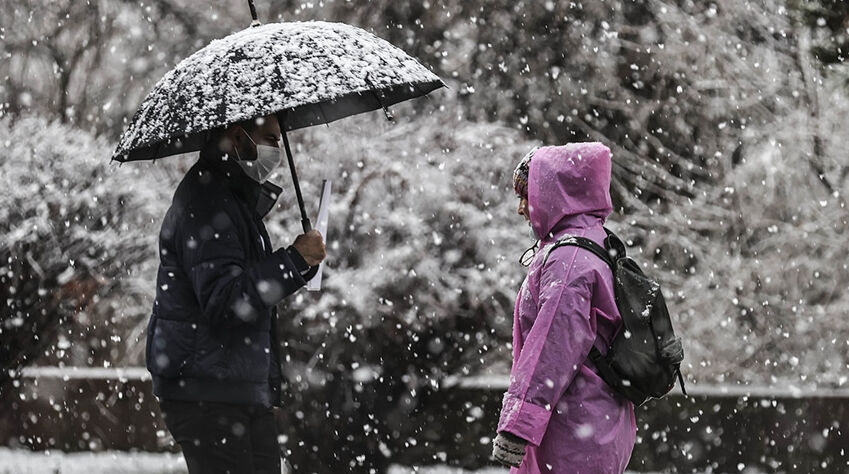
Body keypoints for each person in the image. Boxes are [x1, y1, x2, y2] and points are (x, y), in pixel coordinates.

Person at [145, 114, 326, 474]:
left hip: (233, 387)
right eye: (270, 139)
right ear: (238, 136)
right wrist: (292, 261)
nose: (276, 150)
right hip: (208, 392)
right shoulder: (208, 201)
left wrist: (301, 264)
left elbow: (242, 286)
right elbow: (225, 300)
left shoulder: (230, 197)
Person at [491, 143, 636, 473]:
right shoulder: (593, 242)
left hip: (574, 433)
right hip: (595, 423)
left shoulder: (569, 260)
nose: (521, 208)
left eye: (527, 196)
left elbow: (552, 346)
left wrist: (518, 425)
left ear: (552, 194)